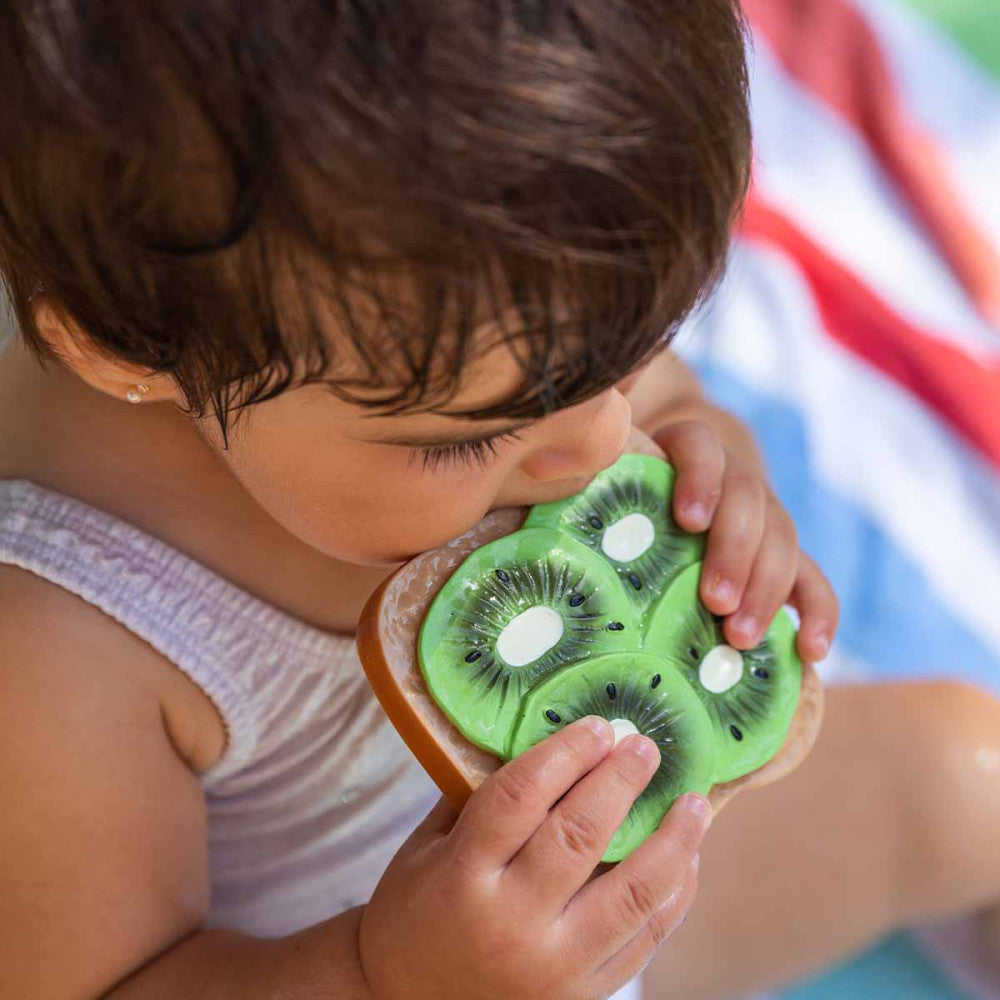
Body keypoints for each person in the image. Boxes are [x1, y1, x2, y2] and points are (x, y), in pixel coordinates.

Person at [0, 3, 997, 998]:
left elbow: (641, 401)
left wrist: (709, 449)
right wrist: (384, 974)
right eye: (471, 436)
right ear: (132, 353)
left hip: (620, 844)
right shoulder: (57, 647)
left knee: (971, 770)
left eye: (625, 354)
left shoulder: (461, 318)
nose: (601, 445)